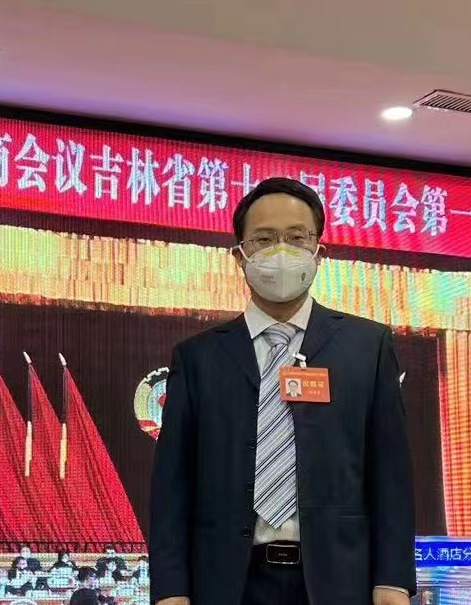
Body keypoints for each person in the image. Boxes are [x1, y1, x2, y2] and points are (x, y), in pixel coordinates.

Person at [149, 177, 416, 605]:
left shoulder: (367, 347)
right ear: (240, 256)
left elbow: (391, 476)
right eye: (264, 239)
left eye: (296, 238)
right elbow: (172, 487)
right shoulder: (198, 358)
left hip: (339, 580)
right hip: (226, 583)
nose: (281, 251)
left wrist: (393, 580)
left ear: (318, 252)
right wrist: (170, 590)